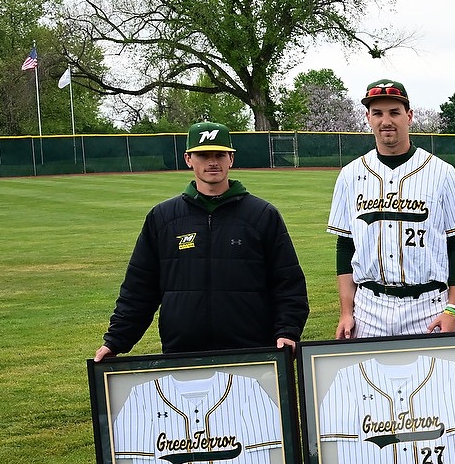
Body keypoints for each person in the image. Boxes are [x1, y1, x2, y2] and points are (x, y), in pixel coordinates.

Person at [95, 121, 308, 360]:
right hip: (183, 353)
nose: (212, 162)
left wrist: (288, 331)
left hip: (252, 351)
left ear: (231, 159)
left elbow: (288, 283)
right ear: (188, 159)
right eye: (203, 155)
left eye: (220, 154)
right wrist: (115, 341)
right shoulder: (163, 217)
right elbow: (139, 288)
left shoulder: (261, 215)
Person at [327, 80, 455, 337]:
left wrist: (454, 309)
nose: (386, 121)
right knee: (369, 377)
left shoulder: (442, 173)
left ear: (409, 116)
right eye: (378, 113)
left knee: (437, 377)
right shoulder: (350, 175)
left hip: (428, 306)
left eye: (394, 112)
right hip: (369, 307)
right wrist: (345, 312)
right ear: (368, 118)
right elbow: (345, 245)